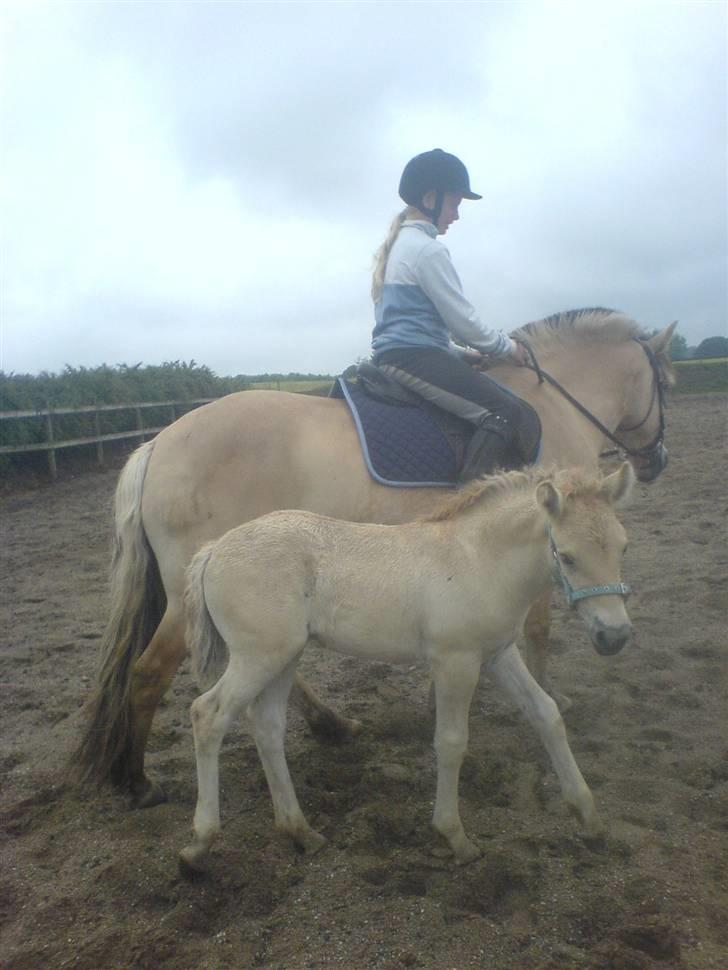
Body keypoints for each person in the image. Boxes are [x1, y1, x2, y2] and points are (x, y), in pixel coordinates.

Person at [370, 148, 540, 480]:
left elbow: (416, 328)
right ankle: (468, 509)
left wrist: (462, 356)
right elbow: (465, 323)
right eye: (454, 204)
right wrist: (508, 348)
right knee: (507, 412)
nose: (456, 215)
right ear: (431, 198)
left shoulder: (399, 246)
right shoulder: (427, 250)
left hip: (407, 354)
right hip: (412, 359)